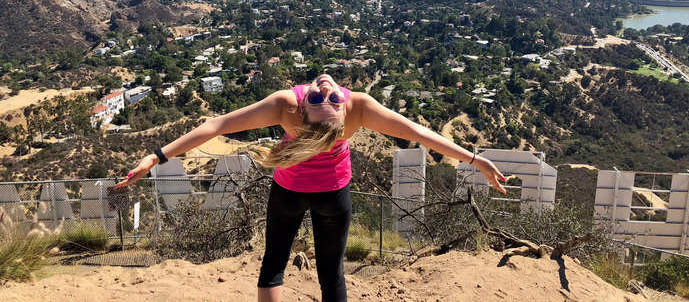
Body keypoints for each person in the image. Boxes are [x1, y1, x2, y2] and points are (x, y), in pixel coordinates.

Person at [116, 74, 506, 302]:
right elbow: (419, 133)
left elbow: (216, 125)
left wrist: (156, 156)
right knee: (331, 273)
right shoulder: (359, 106)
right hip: (334, 195)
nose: (324, 89)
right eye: (325, 97)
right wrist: (474, 159)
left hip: (289, 191)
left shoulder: (287, 104)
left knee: (275, 263)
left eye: (326, 96)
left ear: (303, 112)